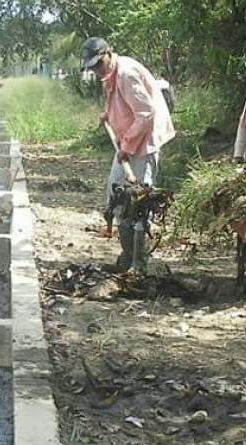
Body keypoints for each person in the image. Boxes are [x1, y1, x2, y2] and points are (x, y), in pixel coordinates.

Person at [82, 36, 175, 273]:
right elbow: (122, 104)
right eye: (93, 67)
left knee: (139, 202)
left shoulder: (126, 74)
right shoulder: (110, 74)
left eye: (99, 64)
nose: (97, 70)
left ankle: (139, 264)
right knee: (117, 194)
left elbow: (145, 114)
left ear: (108, 54)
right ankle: (127, 256)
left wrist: (127, 146)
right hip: (127, 141)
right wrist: (109, 115)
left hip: (144, 142)